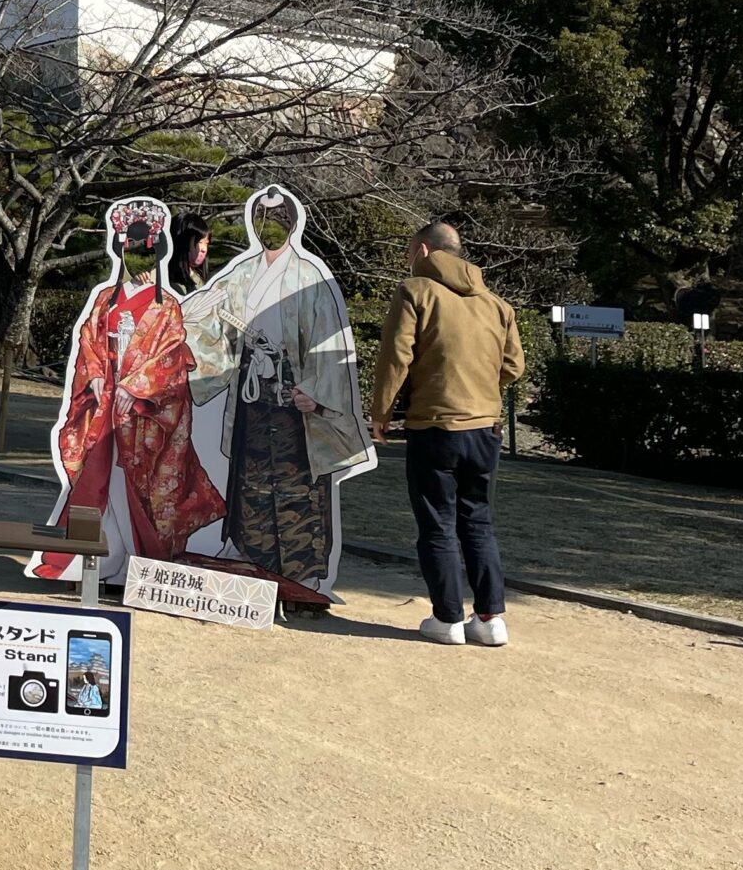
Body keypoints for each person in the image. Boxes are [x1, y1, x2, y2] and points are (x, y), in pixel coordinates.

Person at [181, 187, 374, 597]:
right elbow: (215, 330)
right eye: (263, 220)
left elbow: (328, 344)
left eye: (278, 220)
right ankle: (252, 557)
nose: (270, 229)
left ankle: (300, 572)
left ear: (292, 224)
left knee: (296, 480)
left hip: (295, 398)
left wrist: (317, 392)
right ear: (254, 225)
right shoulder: (241, 275)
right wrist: (187, 321)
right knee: (250, 479)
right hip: (253, 395)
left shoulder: (310, 277)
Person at [28, 196, 224, 586]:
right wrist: (98, 377)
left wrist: (135, 389)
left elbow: (171, 356)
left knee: (135, 484)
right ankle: (97, 559)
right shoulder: (105, 298)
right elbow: (91, 340)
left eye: (145, 251)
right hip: (105, 402)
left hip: (140, 409)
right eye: (131, 250)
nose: (137, 258)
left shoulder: (167, 305)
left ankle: (133, 559)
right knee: (96, 478)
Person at [370, 221, 525, 647]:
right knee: (478, 520)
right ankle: (491, 618)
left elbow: (395, 357)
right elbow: (515, 367)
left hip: (435, 425)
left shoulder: (415, 291)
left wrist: (380, 411)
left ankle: (448, 618)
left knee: (437, 522)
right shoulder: (497, 305)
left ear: (422, 251)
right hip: (485, 427)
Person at [167, 212, 212, 295]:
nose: (204, 249)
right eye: (200, 242)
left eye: (206, 243)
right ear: (183, 243)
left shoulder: (200, 275)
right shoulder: (160, 276)